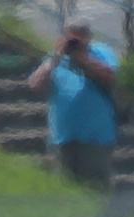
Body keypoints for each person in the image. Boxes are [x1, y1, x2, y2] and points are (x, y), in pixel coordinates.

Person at [28, 20, 119, 190]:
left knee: (95, 190)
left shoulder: (101, 53)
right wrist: (55, 58)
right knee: (67, 191)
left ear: (89, 37)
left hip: (96, 138)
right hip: (63, 138)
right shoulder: (54, 59)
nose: (76, 40)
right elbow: (36, 85)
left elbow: (109, 76)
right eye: (72, 35)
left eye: (82, 34)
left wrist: (81, 58)